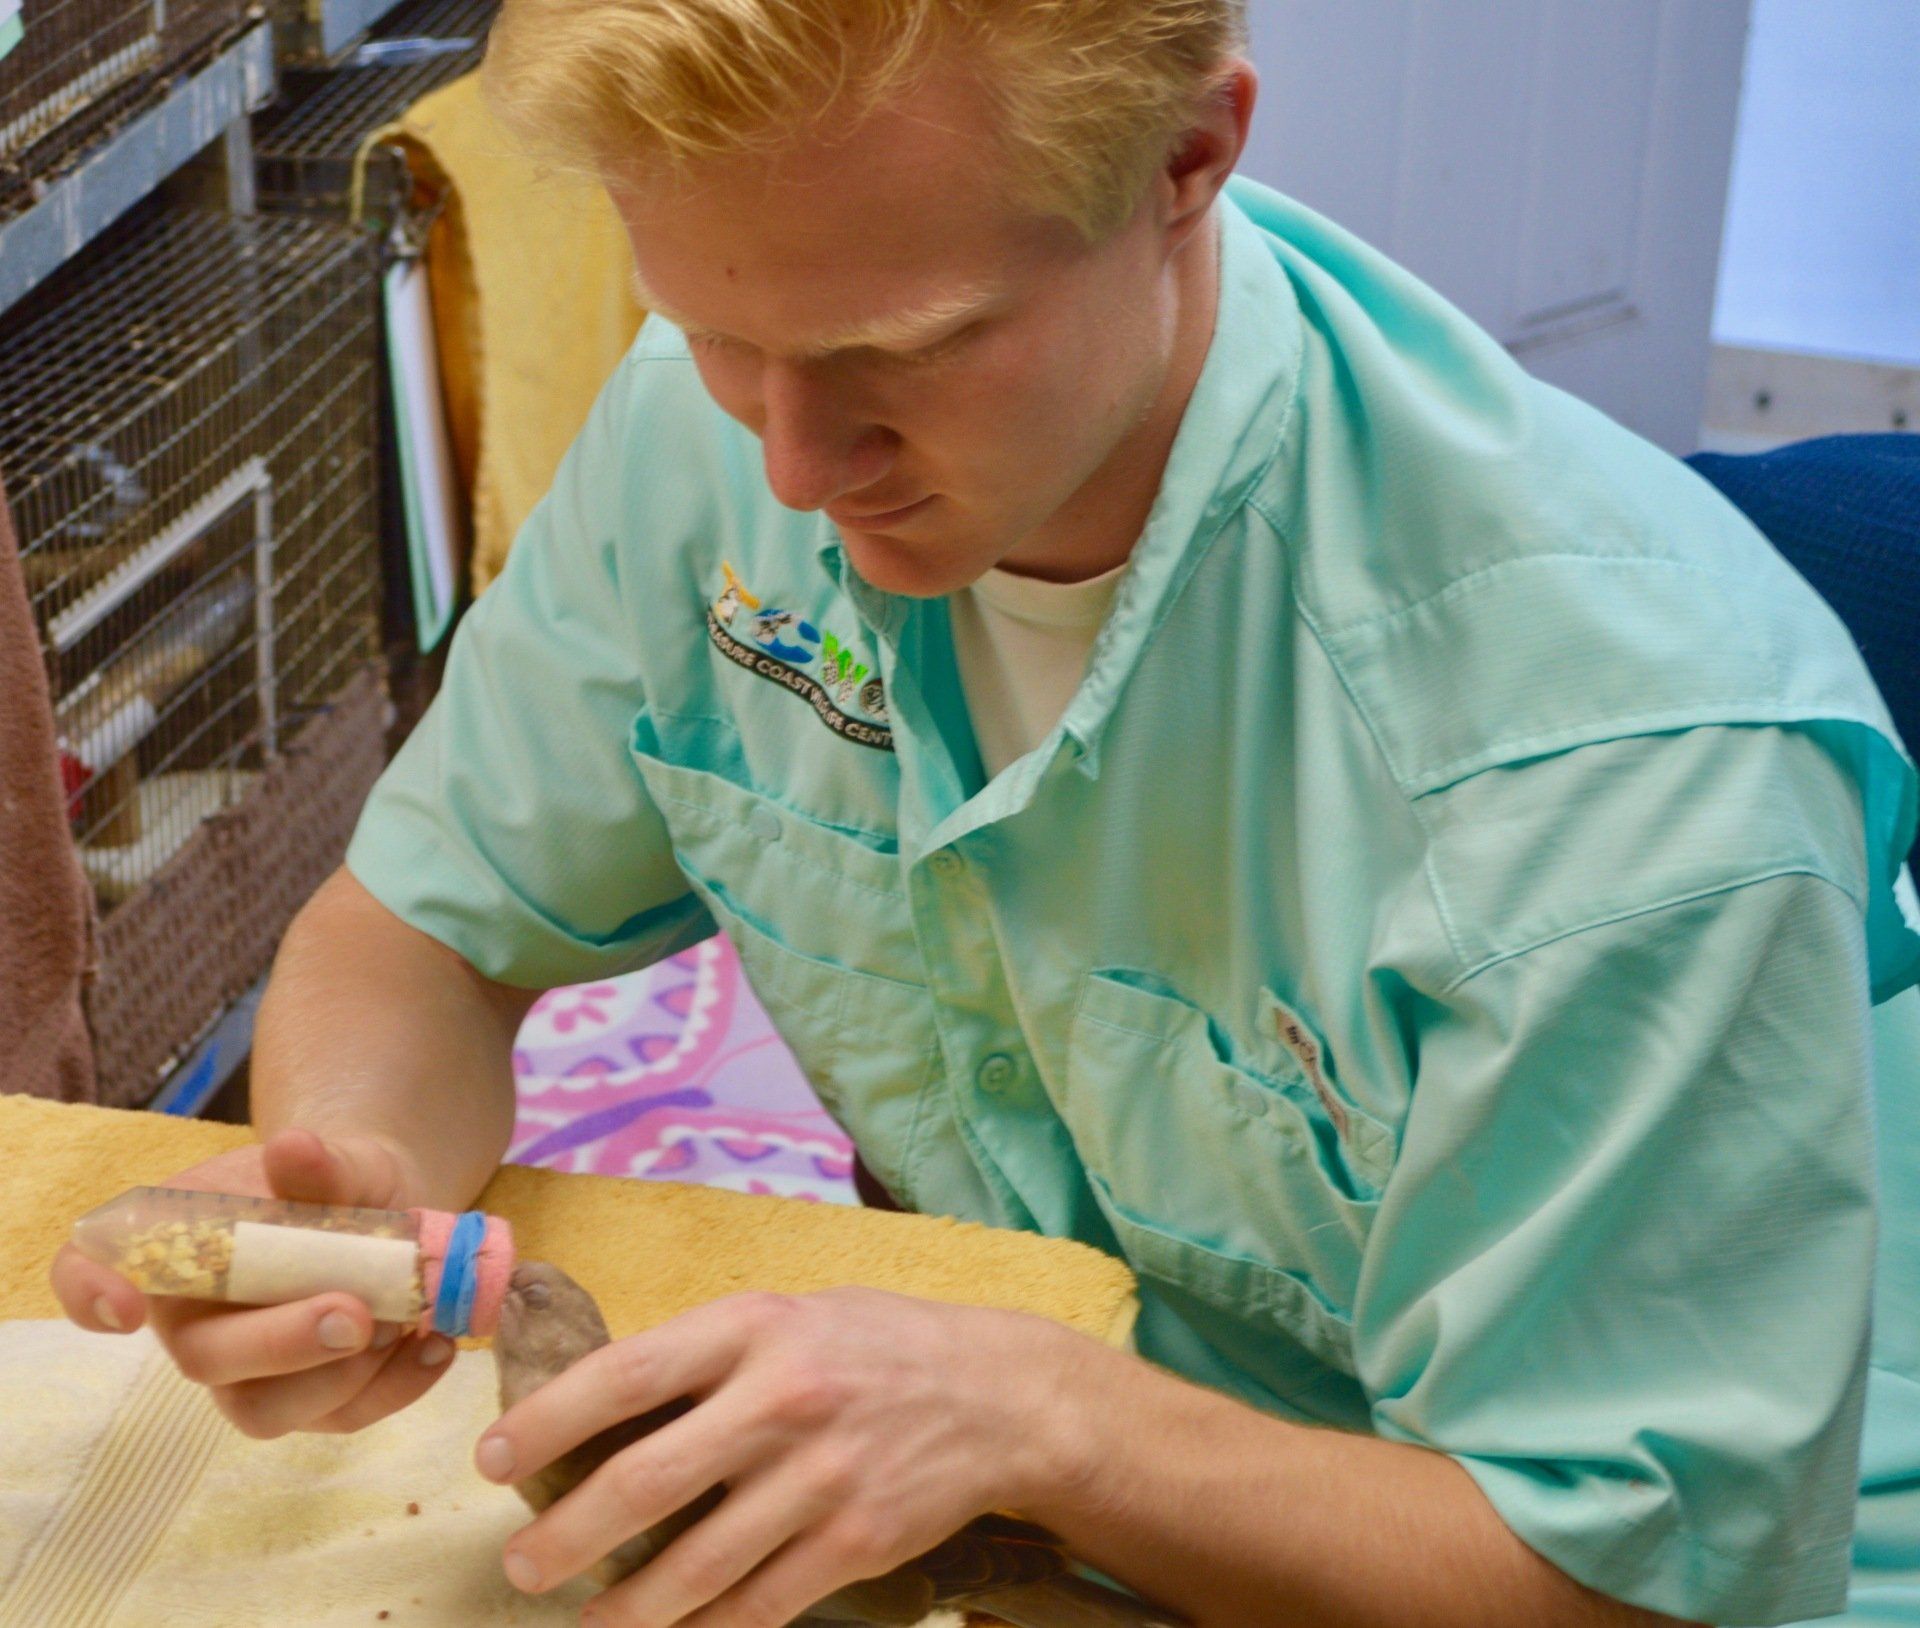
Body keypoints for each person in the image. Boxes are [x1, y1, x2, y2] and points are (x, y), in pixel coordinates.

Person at [52, 3, 1920, 1624]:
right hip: (1054, 1497)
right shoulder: (718, 429)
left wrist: (1046, 1420)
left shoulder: (1610, 764)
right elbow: (421, 934)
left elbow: (1618, 1592)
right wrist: (362, 1183)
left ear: (1189, 156)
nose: (788, 461)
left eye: (905, 347)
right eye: (708, 328)